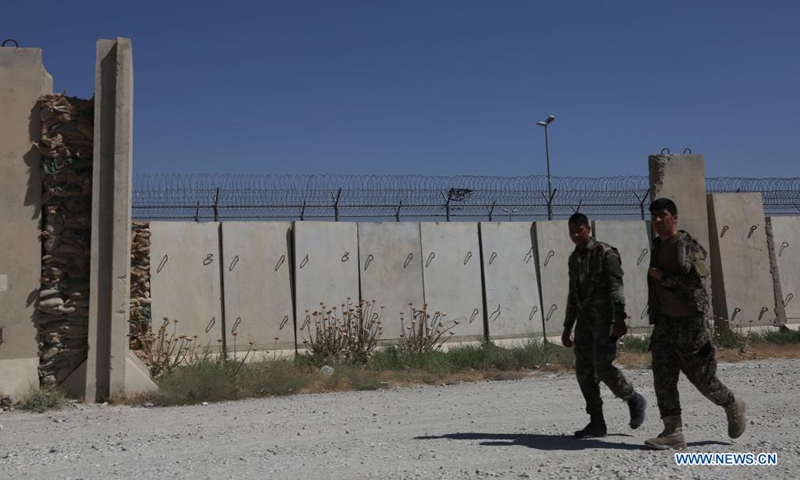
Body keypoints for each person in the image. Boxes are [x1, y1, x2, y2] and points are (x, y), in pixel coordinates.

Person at [645, 198, 747, 450]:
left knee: (702, 379)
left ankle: (732, 403)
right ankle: (673, 432)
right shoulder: (657, 245)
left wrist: (663, 277)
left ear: (674, 218)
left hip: (690, 326)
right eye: (655, 216)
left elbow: (696, 283)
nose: (658, 220)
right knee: (663, 378)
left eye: (663, 215)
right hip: (665, 325)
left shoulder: (688, 246)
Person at [561, 213, 647, 438]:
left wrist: (619, 318)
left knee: (603, 367)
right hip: (584, 323)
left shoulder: (605, 253)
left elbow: (616, 287)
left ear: (588, 229)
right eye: (571, 232)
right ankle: (597, 422)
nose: (575, 235)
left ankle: (633, 399)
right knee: (584, 372)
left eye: (579, 230)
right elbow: (573, 295)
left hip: (605, 321)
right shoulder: (573, 259)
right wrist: (567, 326)